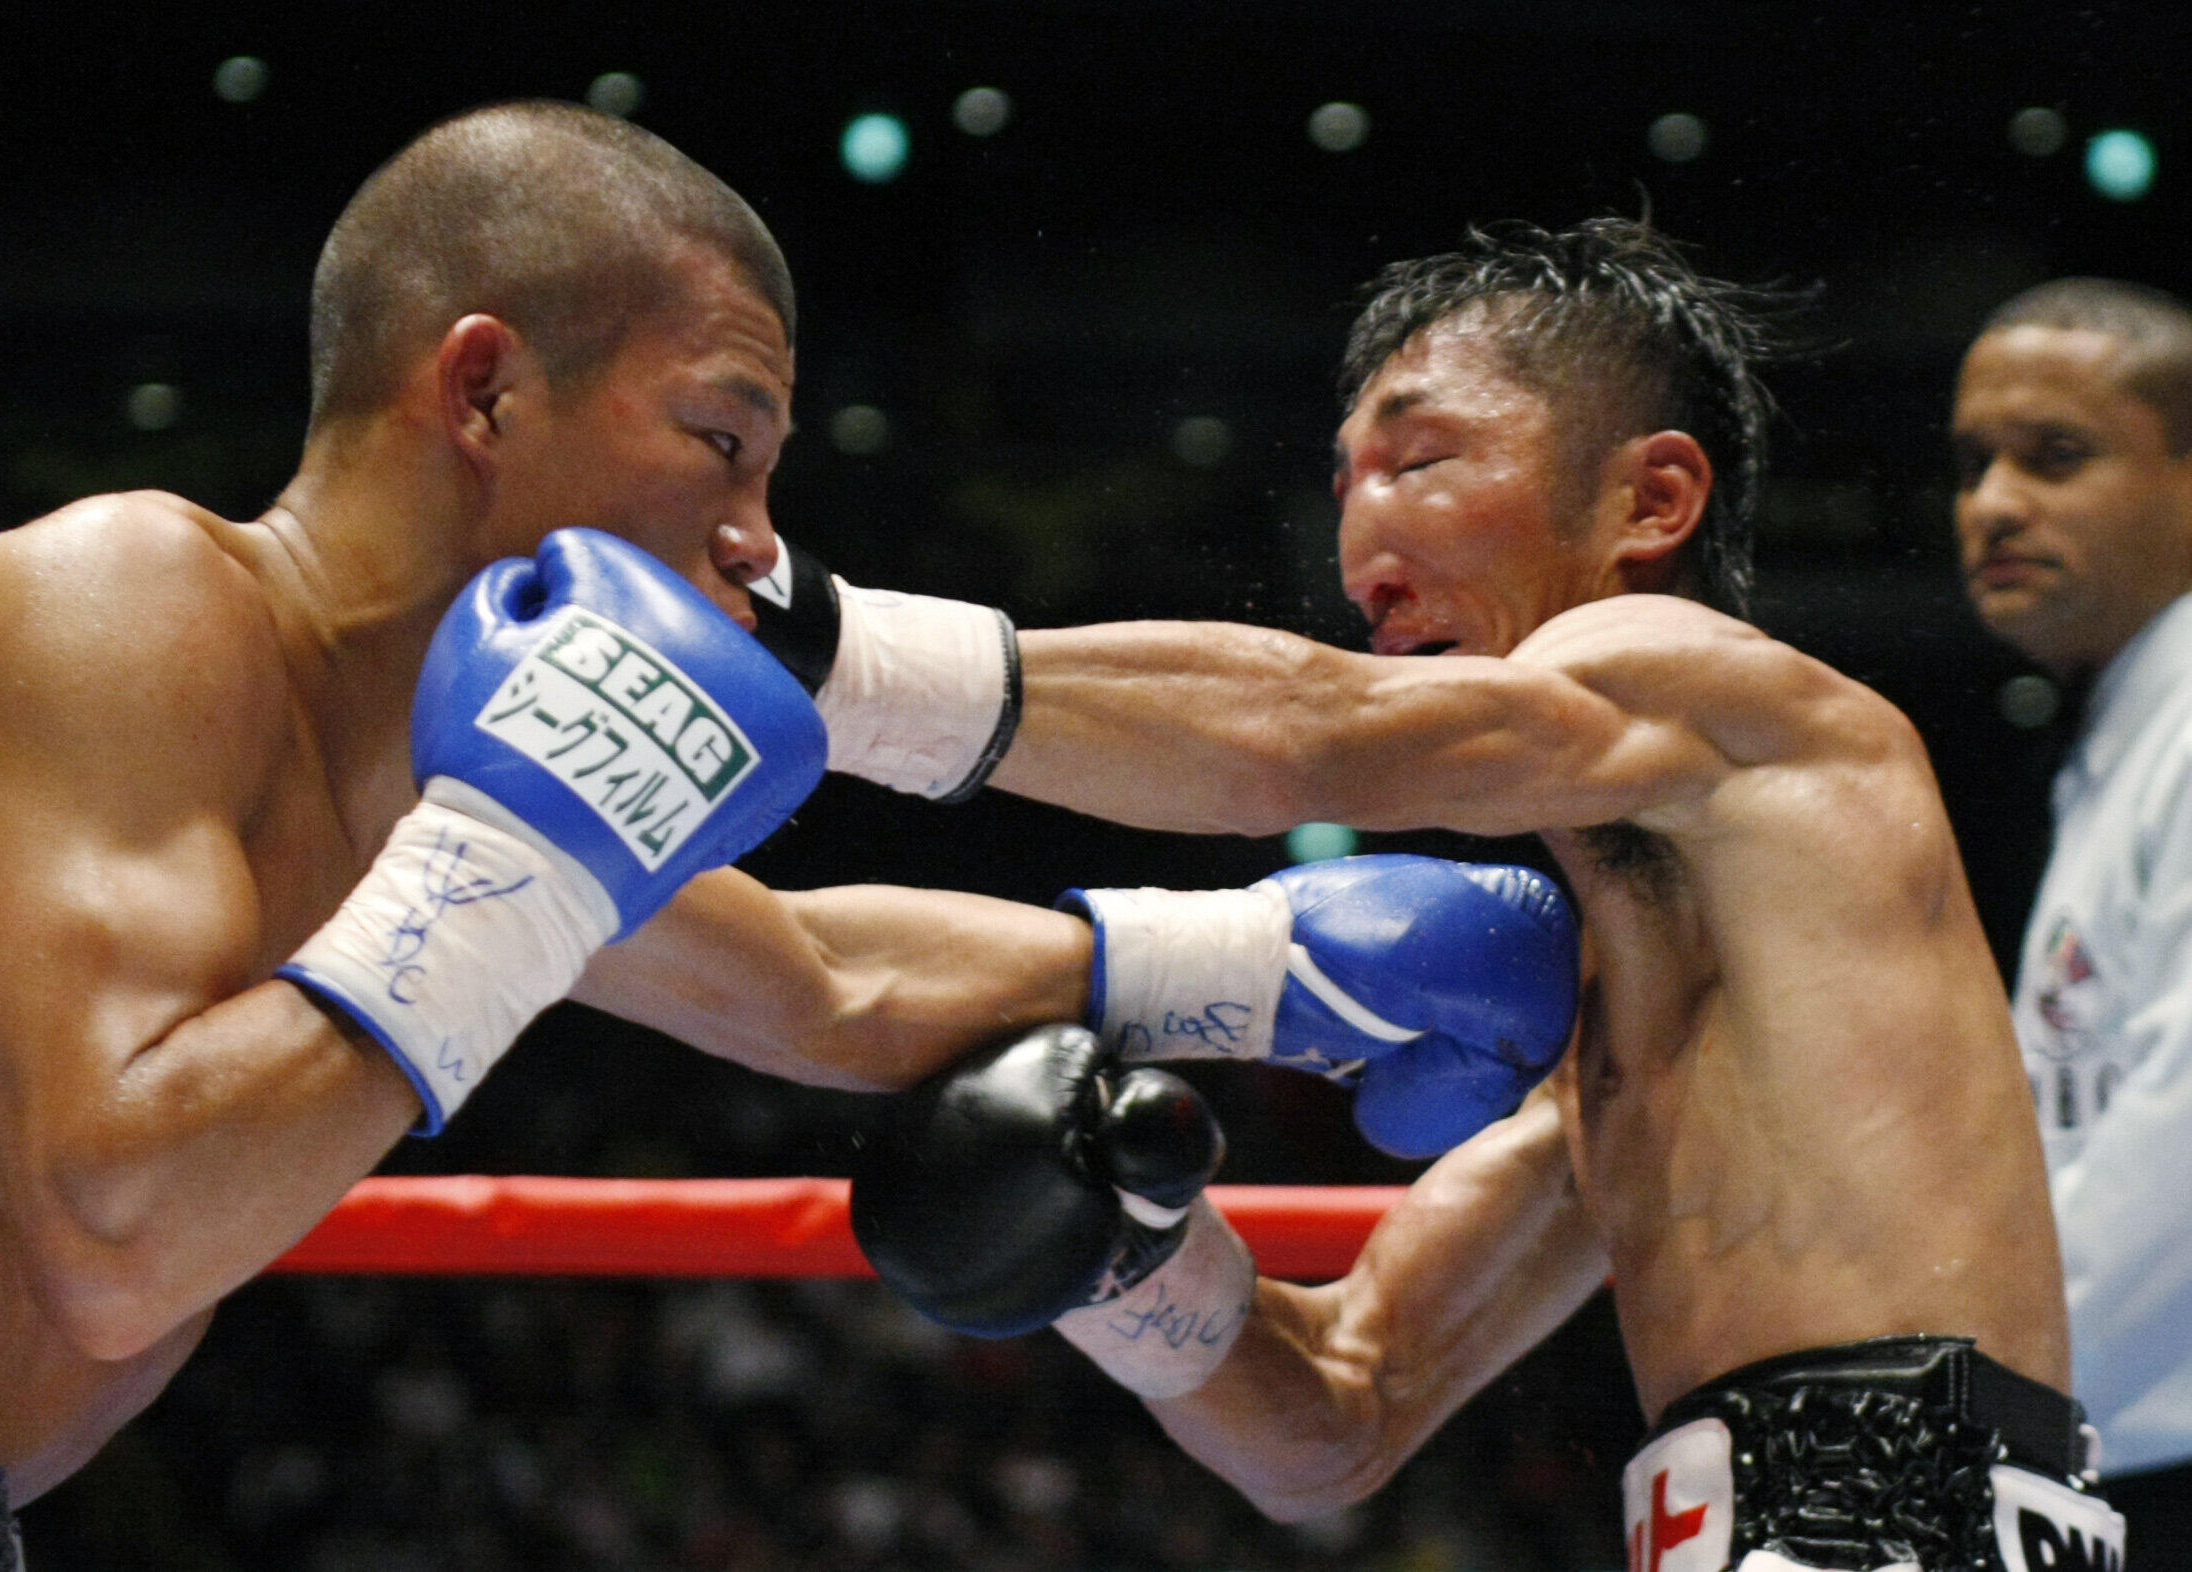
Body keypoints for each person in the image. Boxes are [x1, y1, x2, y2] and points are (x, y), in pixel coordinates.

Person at [0, 98, 1586, 1567]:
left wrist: (1284, 970)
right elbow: (119, 1230)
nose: (754, 544)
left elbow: (827, 986)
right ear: (481, 389)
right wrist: (525, 867)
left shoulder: (450, 782)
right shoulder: (129, 595)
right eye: (723, 439)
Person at [837, 219, 2119, 1571]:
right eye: (1345, 483)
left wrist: (836, 660)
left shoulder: (1749, 703)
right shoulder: (1642, 1061)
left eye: (1422, 457)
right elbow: (1337, 1418)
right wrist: (1135, 1265)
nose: (1360, 547)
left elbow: (1310, 734)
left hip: (1905, 1526)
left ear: (1652, 503)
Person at [1952, 276, 2192, 1564]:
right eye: (1975, 462)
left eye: (2056, 457)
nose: (1994, 503)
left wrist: (1990, 1407)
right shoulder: (2123, 739)